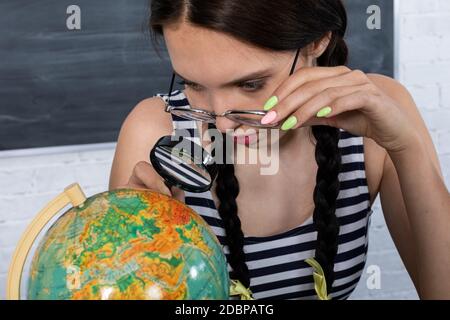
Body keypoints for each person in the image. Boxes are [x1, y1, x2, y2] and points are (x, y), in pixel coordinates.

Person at [109, 0, 450, 299]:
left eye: (251, 84)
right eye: (193, 84)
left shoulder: (377, 113)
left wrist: (407, 149)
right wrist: (133, 256)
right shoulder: (158, 130)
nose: (222, 123)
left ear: (318, 40)